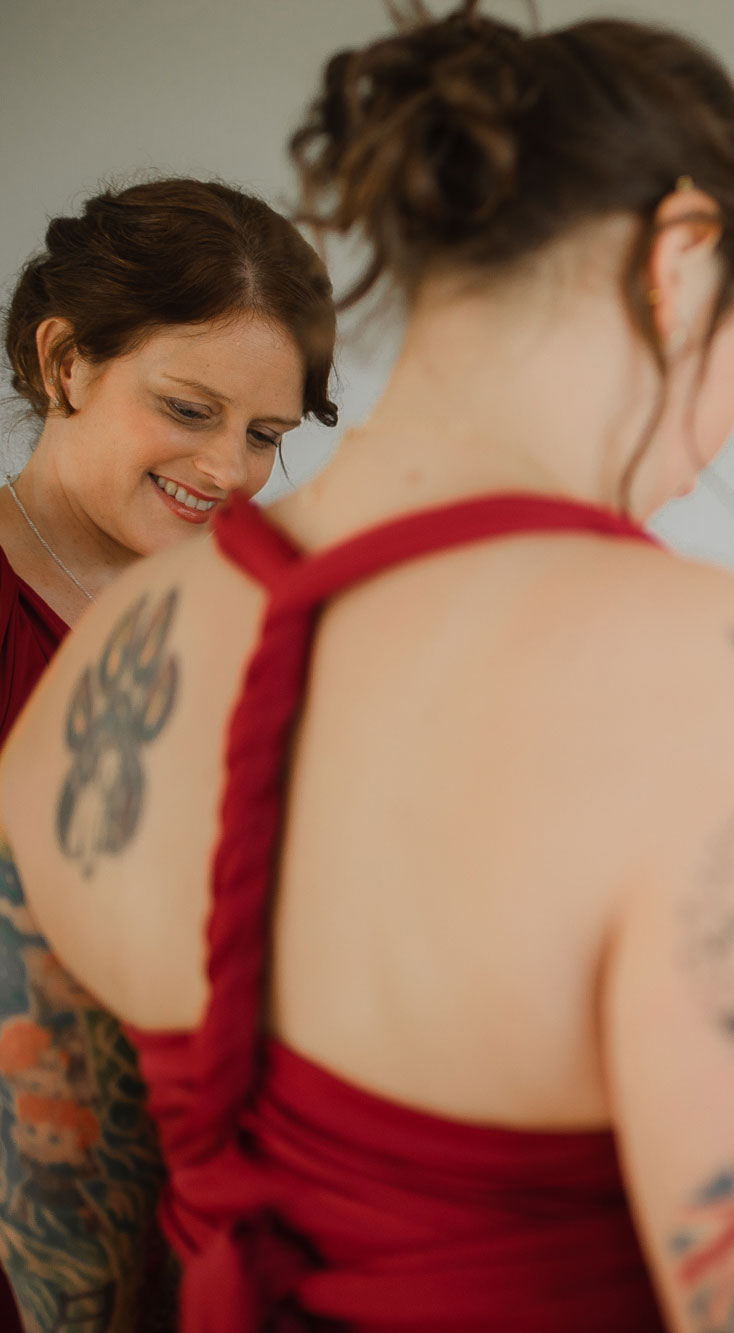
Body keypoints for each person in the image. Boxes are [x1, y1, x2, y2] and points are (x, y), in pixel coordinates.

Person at [0, 7, 734, 1331]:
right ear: (680, 258)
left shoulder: (109, 664)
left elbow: (66, 1263)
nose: (715, 439)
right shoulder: (721, 675)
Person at [0, 175, 337, 1330]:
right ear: (65, 362)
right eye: (189, 410)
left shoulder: (268, 620)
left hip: (231, 1217)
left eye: (265, 436)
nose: (230, 471)